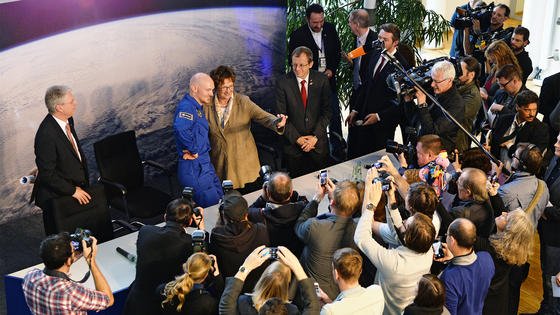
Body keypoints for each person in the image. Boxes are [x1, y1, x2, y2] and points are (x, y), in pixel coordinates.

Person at [355, 167, 436, 315]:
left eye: (406, 223)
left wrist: (370, 203)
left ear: (407, 237)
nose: (403, 222)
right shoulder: (427, 247)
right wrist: (391, 199)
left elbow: (361, 237)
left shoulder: (394, 262)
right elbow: (398, 231)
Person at [206, 65, 286, 190]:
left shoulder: (243, 101)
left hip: (244, 166)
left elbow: (263, 117)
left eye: (231, 86)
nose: (228, 91)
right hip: (220, 165)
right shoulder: (206, 106)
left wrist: (277, 122)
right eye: (224, 87)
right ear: (216, 87)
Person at [123, 199, 201, 315]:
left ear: (165, 217)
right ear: (190, 222)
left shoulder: (145, 231)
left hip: (136, 303)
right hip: (164, 305)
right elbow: (201, 262)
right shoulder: (189, 243)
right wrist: (200, 227)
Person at [33, 85, 91, 235]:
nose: (76, 103)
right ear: (59, 107)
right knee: (66, 245)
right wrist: (72, 190)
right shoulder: (46, 134)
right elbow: (47, 174)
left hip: (73, 191)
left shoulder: (67, 119)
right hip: (59, 199)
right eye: (71, 101)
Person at [346, 23, 410, 158]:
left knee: (377, 159)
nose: (380, 42)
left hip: (383, 124)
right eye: (379, 38)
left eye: (385, 40)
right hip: (365, 115)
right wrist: (355, 109)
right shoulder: (375, 53)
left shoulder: (402, 65)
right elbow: (366, 84)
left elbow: (399, 102)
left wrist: (379, 116)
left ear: (395, 42)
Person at [288, 3, 343, 159]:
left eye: (321, 21)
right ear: (307, 20)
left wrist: (332, 69)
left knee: (333, 114)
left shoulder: (330, 29)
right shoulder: (298, 35)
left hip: (329, 81)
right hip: (309, 85)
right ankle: (313, 147)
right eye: (315, 23)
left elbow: (337, 53)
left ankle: (338, 149)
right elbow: (293, 63)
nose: (319, 25)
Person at [295, 179, 361, 300]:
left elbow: (299, 226)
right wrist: (336, 199)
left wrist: (317, 199)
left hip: (313, 296)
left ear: (331, 203)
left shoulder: (315, 227)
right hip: (340, 293)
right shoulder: (359, 230)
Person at [275, 46, 332, 177]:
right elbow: (280, 116)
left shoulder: (321, 80)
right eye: (294, 65)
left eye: (302, 65)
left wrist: (315, 137)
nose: (297, 69)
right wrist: (298, 139)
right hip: (294, 148)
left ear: (311, 64)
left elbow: (327, 112)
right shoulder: (283, 83)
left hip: (317, 145)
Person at [22, 233, 113, 314]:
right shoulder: (71, 293)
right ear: (69, 260)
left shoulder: (29, 277)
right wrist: (91, 261)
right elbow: (108, 300)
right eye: (73, 250)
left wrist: (68, 259)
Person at [219, 246, 320, 315]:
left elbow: (225, 307)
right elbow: (313, 308)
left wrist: (246, 267)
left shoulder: (242, 303)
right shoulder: (292, 310)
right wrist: (297, 266)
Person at [174, 73, 223, 207]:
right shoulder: (187, 107)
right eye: (208, 90)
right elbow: (181, 129)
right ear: (195, 88)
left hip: (204, 164)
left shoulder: (197, 108)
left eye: (212, 90)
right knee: (212, 208)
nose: (212, 94)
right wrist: (193, 150)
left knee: (221, 200)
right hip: (195, 167)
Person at [474, 209, 534, 315]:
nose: (503, 213)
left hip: (484, 302)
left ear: (509, 230)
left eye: (506, 217)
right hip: (498, 300)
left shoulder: (490, 249)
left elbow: (461, 232)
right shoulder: (511, 251)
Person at [209, 192, 270, 293]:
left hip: (233, 288)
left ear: (224, 216)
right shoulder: (261, 229)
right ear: (247, 214)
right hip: (260, 286)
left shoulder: (217, 236)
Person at [436, 218, 495, 315]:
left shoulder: (449, 278)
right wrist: (452, 259)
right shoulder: (486, 258)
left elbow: (448, 312)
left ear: (452, 240)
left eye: (447, 235)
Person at [248, 172, 308, 257]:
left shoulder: (259, 216)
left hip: (273, 260)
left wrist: (262, 198)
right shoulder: (303, 208)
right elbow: (304, 200)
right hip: (298, 256)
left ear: (268, 193)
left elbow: (247, 212)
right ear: (290, 193)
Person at [487, 90, 549, 170]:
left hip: (518, 172)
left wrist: (510, 146)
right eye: (527, 110)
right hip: (496, 165)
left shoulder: (541, 129)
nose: (532, 114)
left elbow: (532, 157)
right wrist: (489, 148)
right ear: (517, 107)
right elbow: (494, 141)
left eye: (534, 110)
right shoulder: (503, 119)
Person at [414, 60, 466, 153]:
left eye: (436, 81)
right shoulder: (434, 90)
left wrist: (422, 106)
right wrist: (408, 102)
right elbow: (415, 120)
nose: (432, 84)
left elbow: (432, 133)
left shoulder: (456, 104)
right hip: (420, 146)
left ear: (449, 80)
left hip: (436, 154)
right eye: (432, 79)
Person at [535, 132, 560, 315]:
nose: (556, 144)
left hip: (557, 239)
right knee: (546, 275)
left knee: (554, 280)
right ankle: (546, 308)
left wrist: (545, 208)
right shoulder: (554, 160)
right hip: (545, 231)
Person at [319, 248, 384, 315]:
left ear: (336, 274)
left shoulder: (329, 311)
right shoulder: (377, 292)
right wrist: (329, 302)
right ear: (360, 271)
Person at [159, 252, 223, 315]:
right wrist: (217, 276)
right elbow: (223, 304)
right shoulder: (208, 304)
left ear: (186, 266)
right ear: (206, 275)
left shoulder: (163, 290)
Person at [345, 9, 377, 122]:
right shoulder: (357, 37)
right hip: (356, 90)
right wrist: (351, 63)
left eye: (350, 22)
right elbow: (359, 63)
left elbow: (371, 71)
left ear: (356, 24)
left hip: (368, 94)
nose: (348, 24)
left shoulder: (374, 42)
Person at [450, 168, 495, 238]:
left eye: (459, 183)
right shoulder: (487, 199)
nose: (456, 183)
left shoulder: (460, 213)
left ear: (468, 192)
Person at [456, 56, 483, 151]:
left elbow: (457, 115)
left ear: (471, 75)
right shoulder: (459, 84)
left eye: (460, 71)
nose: (457, 74)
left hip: (458, 141)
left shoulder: (473, 95)